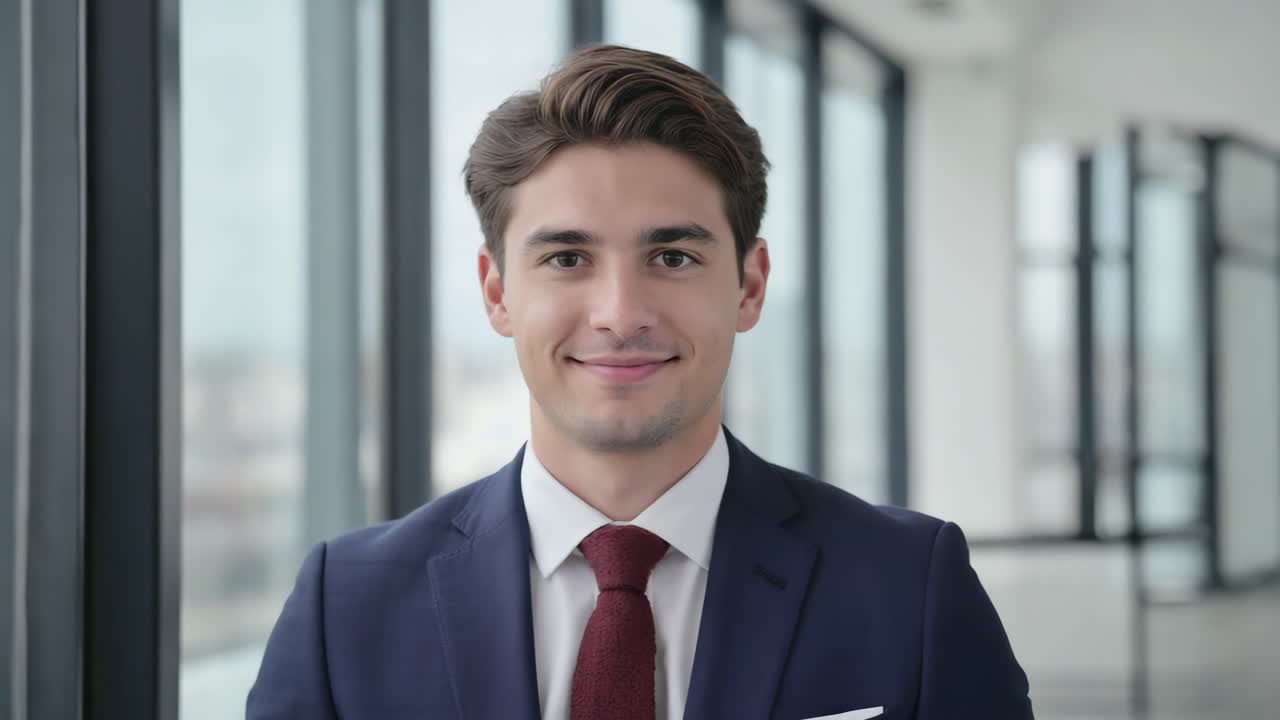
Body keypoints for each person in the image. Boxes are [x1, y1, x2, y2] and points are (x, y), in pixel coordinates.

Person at [247, 44, 1033, 720]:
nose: (621, 314)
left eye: (673, 257)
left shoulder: (909, 587)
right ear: (496, 292)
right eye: (566, 259)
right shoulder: (343, 607)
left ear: (750, 286)